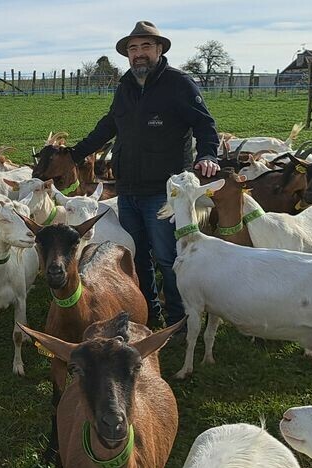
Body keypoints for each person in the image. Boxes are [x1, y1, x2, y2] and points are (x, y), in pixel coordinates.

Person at [68, 21, 220, 329]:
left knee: (167, 257)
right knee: (136, 258)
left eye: (146, 47)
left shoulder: (179, 84)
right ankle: (149, 315)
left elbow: (205, 125)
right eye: (133, 49)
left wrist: (207, 155)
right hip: (129, 189)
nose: (139, 54)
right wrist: (75, 152)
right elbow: (109, 125)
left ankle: (179, 320)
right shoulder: (125, 86)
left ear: (159, 49)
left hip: (164, 192)